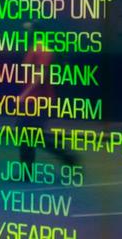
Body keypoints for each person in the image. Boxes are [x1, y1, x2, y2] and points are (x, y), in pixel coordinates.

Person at [18, 21, 78, 171]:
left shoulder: (43, 50)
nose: (25, 33)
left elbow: (41, 75)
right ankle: (28, 171)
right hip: (32, 100)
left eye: (28, 30)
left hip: (39, 100)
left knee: (31, 135)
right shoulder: (33, 49)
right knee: (28, 135)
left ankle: (68, 157)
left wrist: (25, 94)